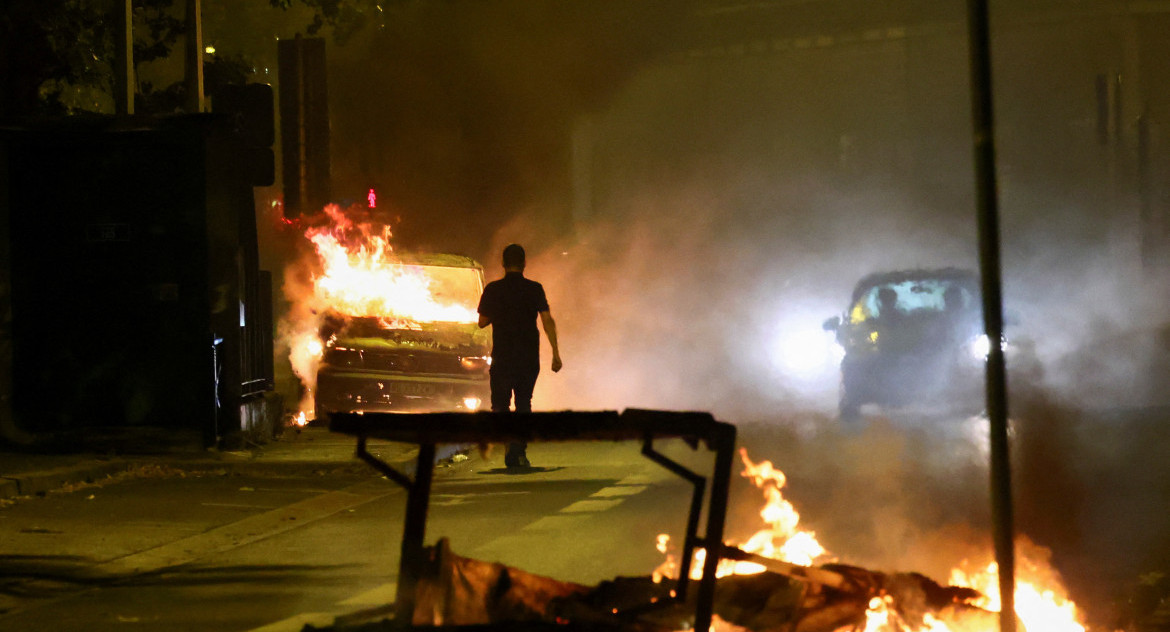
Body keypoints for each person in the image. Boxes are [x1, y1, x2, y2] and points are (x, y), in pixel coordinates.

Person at [477, 243, 563, 468]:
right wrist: (555, 353)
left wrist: (500, 312)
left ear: (503, 264)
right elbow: (547, 321)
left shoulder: (493, 289)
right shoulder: (535, 289)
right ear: (524, 263)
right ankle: (519, 450)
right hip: (528, 357)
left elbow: (482, 322)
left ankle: (509, 443)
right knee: (524, 402)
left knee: (501, 405)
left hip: (503, 356)